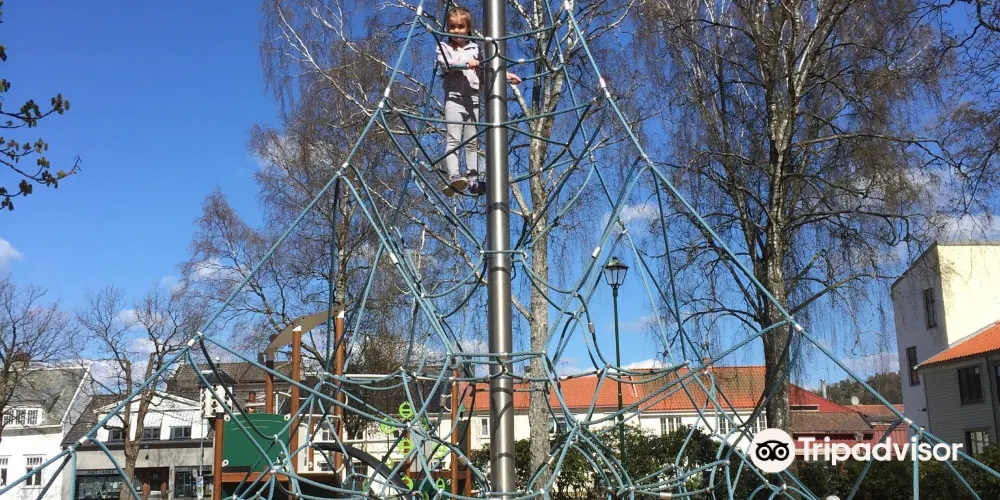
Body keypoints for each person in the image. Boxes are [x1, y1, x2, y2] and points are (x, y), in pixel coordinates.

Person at [436, 6, 521, 196]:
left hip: (472, 99)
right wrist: (466, 63)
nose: (456, 31)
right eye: (452, 26)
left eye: (460, 27)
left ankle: (473, 179)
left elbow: (485, 72)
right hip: (454, 99)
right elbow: (446, 64)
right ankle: (454, 176)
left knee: (472, 141)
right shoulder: (444, 47)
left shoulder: (475, 49)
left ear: (468, 28)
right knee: (453, 138)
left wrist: (505, 75)